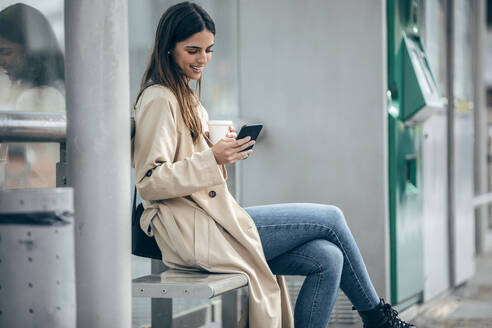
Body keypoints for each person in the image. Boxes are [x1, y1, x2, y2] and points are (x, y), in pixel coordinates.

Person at [132, 2, 414, 327]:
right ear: (169, 46)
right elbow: (150, 180)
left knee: (328, 257)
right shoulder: (160, 99)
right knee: (331, 218)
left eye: (209, 50)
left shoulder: (184, 96)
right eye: (193, 50)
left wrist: (222, 152)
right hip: (195, 232)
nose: (202, 59)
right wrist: (212, 158)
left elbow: (190, 166)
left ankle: (376, 318)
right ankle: (378, 318)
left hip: (213, 222)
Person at [0, 3, 65, 189]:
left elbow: (33, 170)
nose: (1, 61)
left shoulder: (41, 98)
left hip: (31, 202)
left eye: (6, 52)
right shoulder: (29, 92)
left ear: (30, 52)